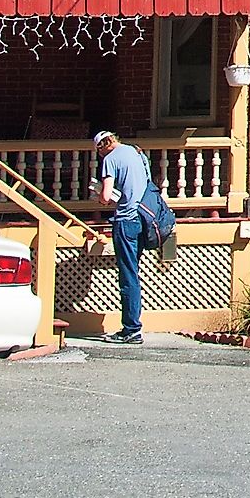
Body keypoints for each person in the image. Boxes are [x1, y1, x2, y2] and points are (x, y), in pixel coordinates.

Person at [94, 129, 157, 342]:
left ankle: (131, 329)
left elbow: (105, 195)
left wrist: (100, 196)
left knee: (128, 275)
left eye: (98, 151)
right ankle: (133, 326)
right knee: (134, 272)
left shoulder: (110, 159)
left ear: (102, 146)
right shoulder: (135, 152)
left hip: (125, 220)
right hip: (143, 217)